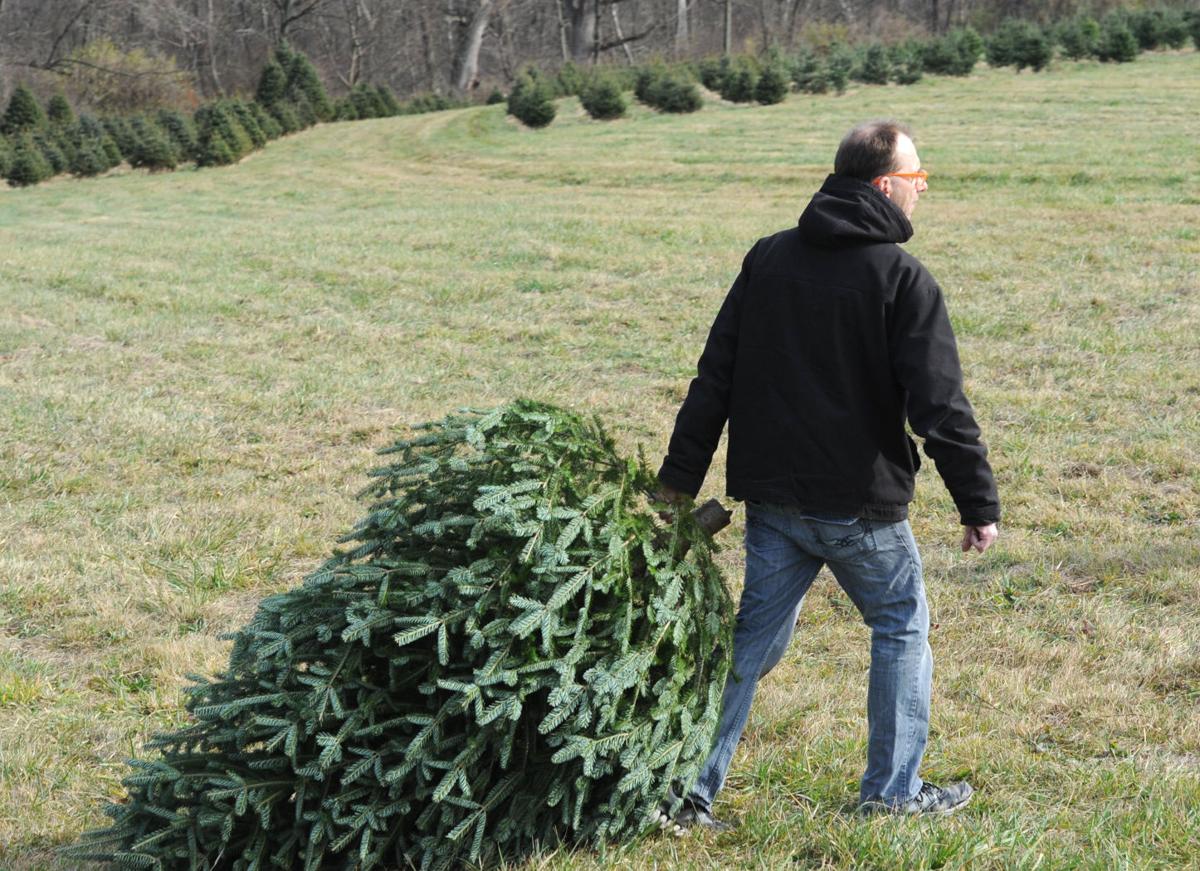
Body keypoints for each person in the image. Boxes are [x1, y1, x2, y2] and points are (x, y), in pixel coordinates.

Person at [655, 120, 1000, 828]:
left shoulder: (769, 258)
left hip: (773, 502)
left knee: (749, 644)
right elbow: (940, 405)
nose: (923, 188)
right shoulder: (902, 278)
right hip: (858, 509)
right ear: (885, 186)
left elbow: (713, 379)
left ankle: (684, 792)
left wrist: (676, 483)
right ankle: (892, 795)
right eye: (917, 177)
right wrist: (978, 502)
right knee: (900, 626)